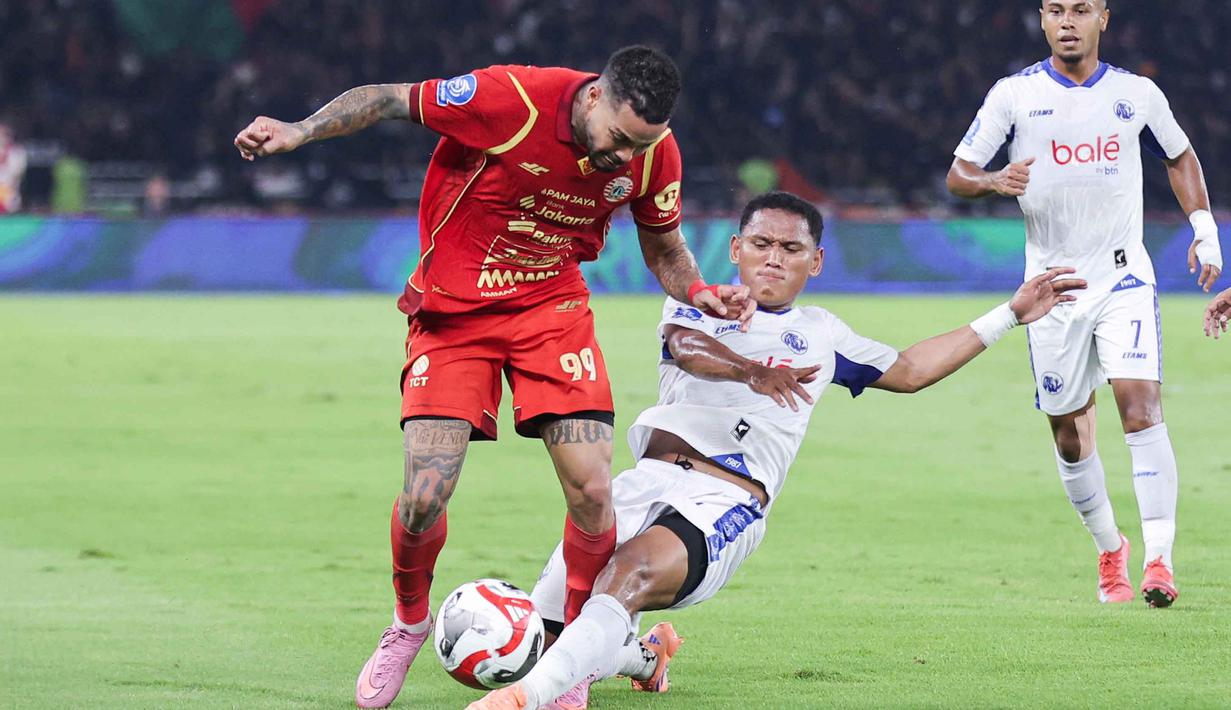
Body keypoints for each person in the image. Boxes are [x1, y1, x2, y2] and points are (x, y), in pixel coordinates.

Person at [232, 46, 755, 709]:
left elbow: (664, 247)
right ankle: (408, 623)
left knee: (594, 489)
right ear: (594, 97)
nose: (625, 157)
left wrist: (699, 290)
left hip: (550, 311)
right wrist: (299, 130)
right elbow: (389, 97)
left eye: (642, 144)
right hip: (454, 312)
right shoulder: (508, 98)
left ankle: (573, 657)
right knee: (425, 492)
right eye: (619, 139)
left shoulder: (655, 153)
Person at [468, 191, 1085, 710]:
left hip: (725, 497)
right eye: (760, 244)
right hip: (645, 478)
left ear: (815, 262)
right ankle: (645, 655)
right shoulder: (697, 299)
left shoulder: (822, 334)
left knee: (626, 575)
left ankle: (516, 701)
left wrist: (1010, 313)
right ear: (735, 249)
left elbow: (911, 368)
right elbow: (687, 348)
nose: (772, 258)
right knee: (549, 622)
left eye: (791, 249)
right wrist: (749, 371)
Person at [945, 0, 1222, 608]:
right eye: (1054, 10)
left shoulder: (1137, 93)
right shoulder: (1011, 96)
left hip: (1124, 279)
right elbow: (959, 173)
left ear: (1104, 20)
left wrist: (1203, 229)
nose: (1067, 20)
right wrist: (993, 181)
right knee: (1071, 436)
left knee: (1139, 407)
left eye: (1081, 9)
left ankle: (1159, 561)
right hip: (1050, 293)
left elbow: (1179, 155)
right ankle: (1109, 547)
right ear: (1042, 21)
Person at [0, 123, 28, 214]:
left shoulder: (18, 152)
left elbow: (17, 173)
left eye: (3, 135)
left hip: (10, 194)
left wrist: (4, 158)